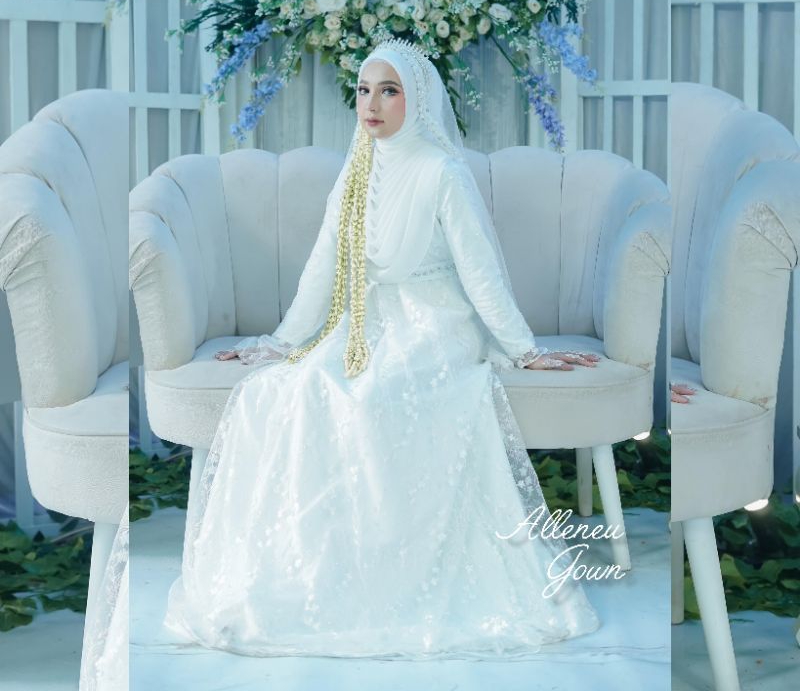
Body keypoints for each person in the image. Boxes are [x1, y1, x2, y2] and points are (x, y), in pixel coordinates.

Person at [163, 38, 601, 659]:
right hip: (364, 320)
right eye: (364, 90)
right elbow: (324, 263)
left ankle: (393, 572)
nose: (371, 104)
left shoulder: (443, 173)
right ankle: (320, 572)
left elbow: (480, 273)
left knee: (372, 397)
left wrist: (523, 349)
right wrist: (282, 342)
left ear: (415, 99)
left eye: (388, 91)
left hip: (435, 322)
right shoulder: (357, 168)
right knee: (290, 389)